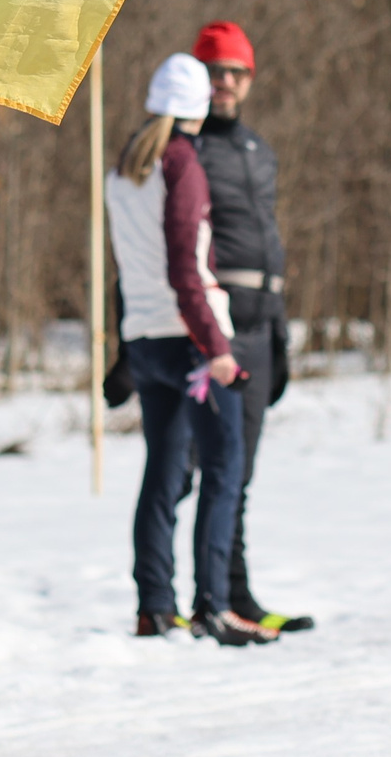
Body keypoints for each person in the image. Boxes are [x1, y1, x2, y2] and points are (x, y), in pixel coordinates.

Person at [106, 53, 274, 647]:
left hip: (146, 339)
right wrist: (217, 347)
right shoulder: (182, 163)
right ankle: (214, 606)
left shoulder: (127, 165)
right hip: (191, 342)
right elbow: (187, 266)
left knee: (162, 471)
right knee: (224, 467)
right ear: (199, 106)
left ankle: (155, 607)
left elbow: (131, 266)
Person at [186, 20, 310, 634]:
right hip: (219, 325)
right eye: (214, 72)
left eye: (235, 72)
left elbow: (272, 241)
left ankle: (237, 592)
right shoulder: (189, 150)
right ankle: (200, 596)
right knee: (203, 469)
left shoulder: (261, 151)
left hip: (265, 324)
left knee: (242, 473)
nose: (225, 83)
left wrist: (282, 335)